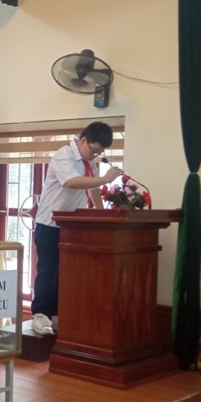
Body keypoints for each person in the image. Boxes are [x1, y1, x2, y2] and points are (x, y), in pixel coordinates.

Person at [30, 121, 122, 336]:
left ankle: (58, 313)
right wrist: (105, 178)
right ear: (83, 140)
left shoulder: (89, 161)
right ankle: (40, 314)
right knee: (48, 272)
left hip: (72, 226)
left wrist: (102, 214)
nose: (95, 154)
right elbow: (72, 182)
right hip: (50, 223)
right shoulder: (63, 155)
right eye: (94, 149)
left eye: (99, 152)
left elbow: (93, 188)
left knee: (67, 273)